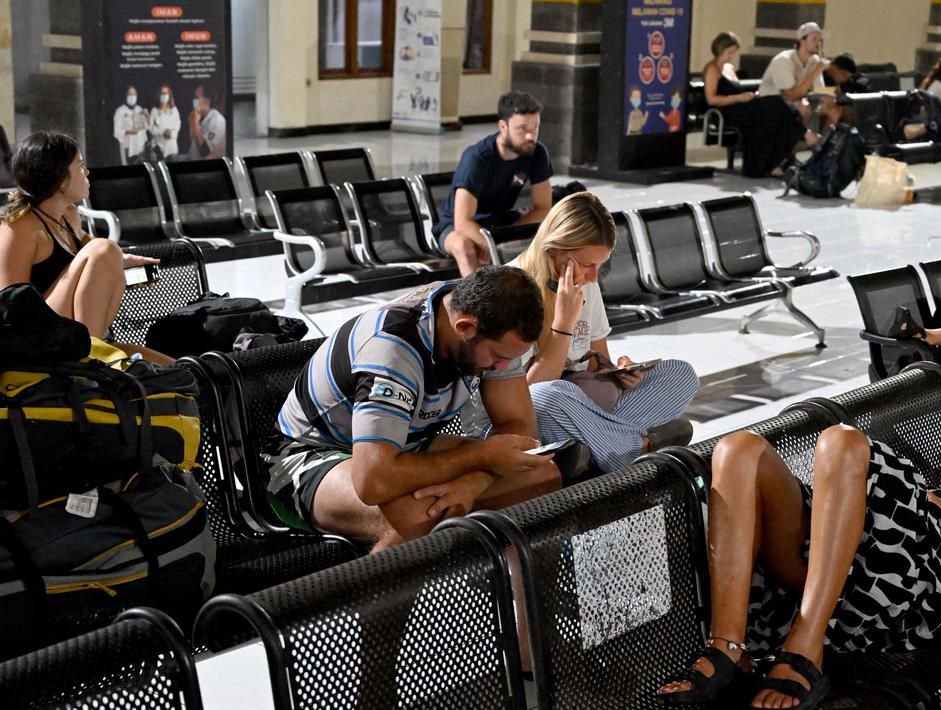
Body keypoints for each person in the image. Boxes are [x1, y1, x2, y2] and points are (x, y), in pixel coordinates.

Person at [657, 415, 941, 709]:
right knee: (738, 447)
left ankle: (806, 647)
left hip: (915, 592)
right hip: (831, 571)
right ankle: (728, 646)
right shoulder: (917, 495)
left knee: (844, 441)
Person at [265, 266, 561, 552]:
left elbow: (519, 427)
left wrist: (472, 482)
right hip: (305, 456)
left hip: (401, 444)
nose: (502, 367)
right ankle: (366, 604)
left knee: (541, 475)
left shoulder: (488, 320)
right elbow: (373, 481)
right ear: (466, 328)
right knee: (419, 514)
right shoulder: (392, 350)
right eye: (497, 357)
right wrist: (481, 455)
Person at [506, 192, 699, 472]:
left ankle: (590, 450)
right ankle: (640, 446)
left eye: (600, 266)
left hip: (587, 404)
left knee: (680, 374)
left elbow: (597, 361)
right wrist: (563, 324)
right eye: (586, 265)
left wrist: (620, 371)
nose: (593, 277)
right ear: (555, 249)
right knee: (549, 395)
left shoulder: (587, 284)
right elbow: (523, 397)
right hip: (546, 409)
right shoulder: (514, 291)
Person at [0, 131, 159, 341]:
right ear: (61, 180)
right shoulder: (19, 227)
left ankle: (92, 354)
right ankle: (90, 360)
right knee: (105, 249)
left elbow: (90, 279)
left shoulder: (69, 216)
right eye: (80, 166)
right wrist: (113, 260)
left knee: (179, 368)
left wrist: (121, 270)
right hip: (37, 344)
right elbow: (9, 311)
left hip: (79, 336)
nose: (87, 172)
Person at [435, 91, 553, 276]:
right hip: (455, 226)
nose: (530, 136)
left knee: (553, 236)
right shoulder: (477, 158)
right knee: (463, 245)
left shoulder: (537, 153)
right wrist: (491, 242)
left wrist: (507, 239)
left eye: (535, 127)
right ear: (503, 126)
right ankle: (478, 303)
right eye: (522, 128)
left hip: (500, 222)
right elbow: (462, 222)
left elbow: (543, 208)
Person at [703, 32, 816, 178]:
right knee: (774, 104)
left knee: (776, 108)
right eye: (729, 52)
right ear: (720, 50)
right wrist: (739, 97)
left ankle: (778, 161)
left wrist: (750, 96)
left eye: (733, 52)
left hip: (741, 107)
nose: (731, 56)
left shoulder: (729, 68)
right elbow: (711, 99)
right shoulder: (712, 69)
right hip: (727, 112)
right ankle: (805, 135)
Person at [758, 22, 828, 124]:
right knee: (804, 108)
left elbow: (819, 90)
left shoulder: (815, 61)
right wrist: (817, 70)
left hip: (796, 100)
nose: (818, 44)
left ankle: (826, 139)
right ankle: (803, 138)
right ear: (802, 41)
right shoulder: (784, 60)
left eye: (820, 40)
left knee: (832, 108)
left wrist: (835, 95)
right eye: (814, 39)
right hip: (772, 102)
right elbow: (791, 95)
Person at [187, 85, 227, 160]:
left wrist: (195, 122)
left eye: (196, 97)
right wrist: (192, 122)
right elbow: (193, 140)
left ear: (207, 101)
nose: (193, 100)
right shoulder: (200, 117)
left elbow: (204, 151)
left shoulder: (217, 120)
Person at [112, 85, 147, 165]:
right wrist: (129, 131)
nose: (132, 97)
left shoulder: (139, 109)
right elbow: (116, 130)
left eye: (134, 94)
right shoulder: (120, 111)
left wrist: (146, 116)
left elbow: (145, 128)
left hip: (139, 148)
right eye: (130, 94)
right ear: (126, 96)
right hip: (127, 147)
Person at [149, 84, 181, 159]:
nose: (164, 95)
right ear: (159, 95)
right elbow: (151, 128)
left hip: (172, 149)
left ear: (169, 95)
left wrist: (171, 134)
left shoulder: (174, 110)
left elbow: (177, 126)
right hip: (159, 149)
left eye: (166, 93)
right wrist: (162, 132)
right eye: (162, 93)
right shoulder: (154, 110)